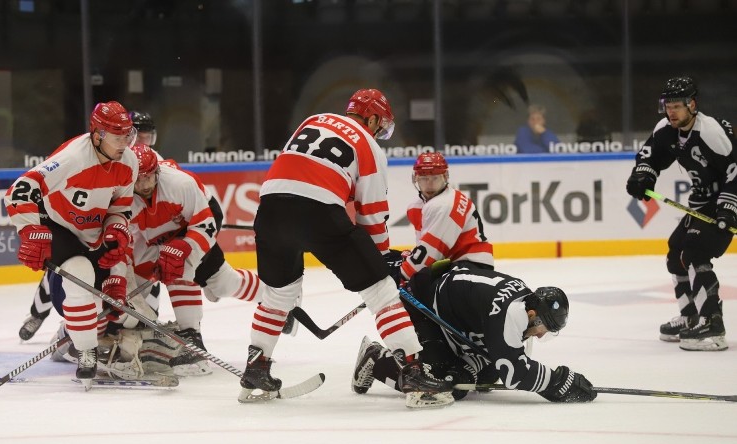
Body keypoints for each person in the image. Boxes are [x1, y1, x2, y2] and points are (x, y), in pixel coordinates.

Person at [241, 87, 453, 407]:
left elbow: (293, 165)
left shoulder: (312, 120)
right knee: (381, 291)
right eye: (380, 125)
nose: (380, 132)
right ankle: (412, 372)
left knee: (278, 292)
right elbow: (371, 213)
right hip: (319, 210)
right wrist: (382, 261)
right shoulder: (368, 145)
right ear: (370, 117)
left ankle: (256, 369)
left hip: (270, 208)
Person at [4, 100, 137, 388]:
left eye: (128, 136)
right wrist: (31, 230)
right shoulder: (72, 158)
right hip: (62, 229)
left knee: (110, 302)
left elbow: (121, 207)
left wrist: (116, 229)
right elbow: (19, 190)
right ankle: (86, 351)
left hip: (95, 232)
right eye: (117, 137)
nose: (124, 144)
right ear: (97, 135)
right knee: (79, 279)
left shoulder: (129, 163)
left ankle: (75, 340)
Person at [353, 261, 597, 405]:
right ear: (533, 315)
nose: (542, 336)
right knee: (438, 383)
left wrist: (471, 365)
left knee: (482, 376)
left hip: (453, 314)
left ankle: (452, 364)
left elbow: (493, 349)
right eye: (544, 329)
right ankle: (375, 358)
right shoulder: (512, 313)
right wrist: (557, 381)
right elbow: (514, 373)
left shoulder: (525, 304)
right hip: (425, 306)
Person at [17, 108, 163, 342]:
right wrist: (30, 229)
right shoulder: (78, 158)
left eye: (140, 136)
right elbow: (25, 188)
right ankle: (51, 323)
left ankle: (121, 328)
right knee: (69, 274)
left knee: (133, 307)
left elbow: (126, 210)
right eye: (122, 136)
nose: (133, 142)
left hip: (125, 233)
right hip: (86, 225)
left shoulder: (145, 161)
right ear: (99, 136)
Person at [126, 143, 265, 376]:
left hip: (195, 224)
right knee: (134, 285)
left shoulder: (181, 183)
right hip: (154, 235)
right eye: (138, 180)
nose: (144, 185)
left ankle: (193, 340)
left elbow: (205, 224)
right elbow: (131, 249)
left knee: (218, 282)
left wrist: (184, 246)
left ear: (157, 172)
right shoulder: (123, 195)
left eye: (148, 178)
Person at [625, 76, 736, 351]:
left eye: (677, 106)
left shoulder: (710, 132)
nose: (671, 112)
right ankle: (691, 317)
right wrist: (642, 175)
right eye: (668, 106)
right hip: (701, 201)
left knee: (695, 251)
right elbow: (649, 155)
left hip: (725, 200)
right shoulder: (666, 128)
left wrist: (729, 207)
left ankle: (713, 324)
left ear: (692, 105)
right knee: (676, 252)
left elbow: (735, 171)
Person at [387, 151, 494, 283]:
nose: (429, 184)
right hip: (457, 264)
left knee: (414, 283)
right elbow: (425, 249)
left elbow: (431, 253)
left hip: (471, 267)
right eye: (424, 178)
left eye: (435, 178)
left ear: (445, 177)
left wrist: (400, 276)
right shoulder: (417, 206)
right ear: (416, 179)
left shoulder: (444, 205)